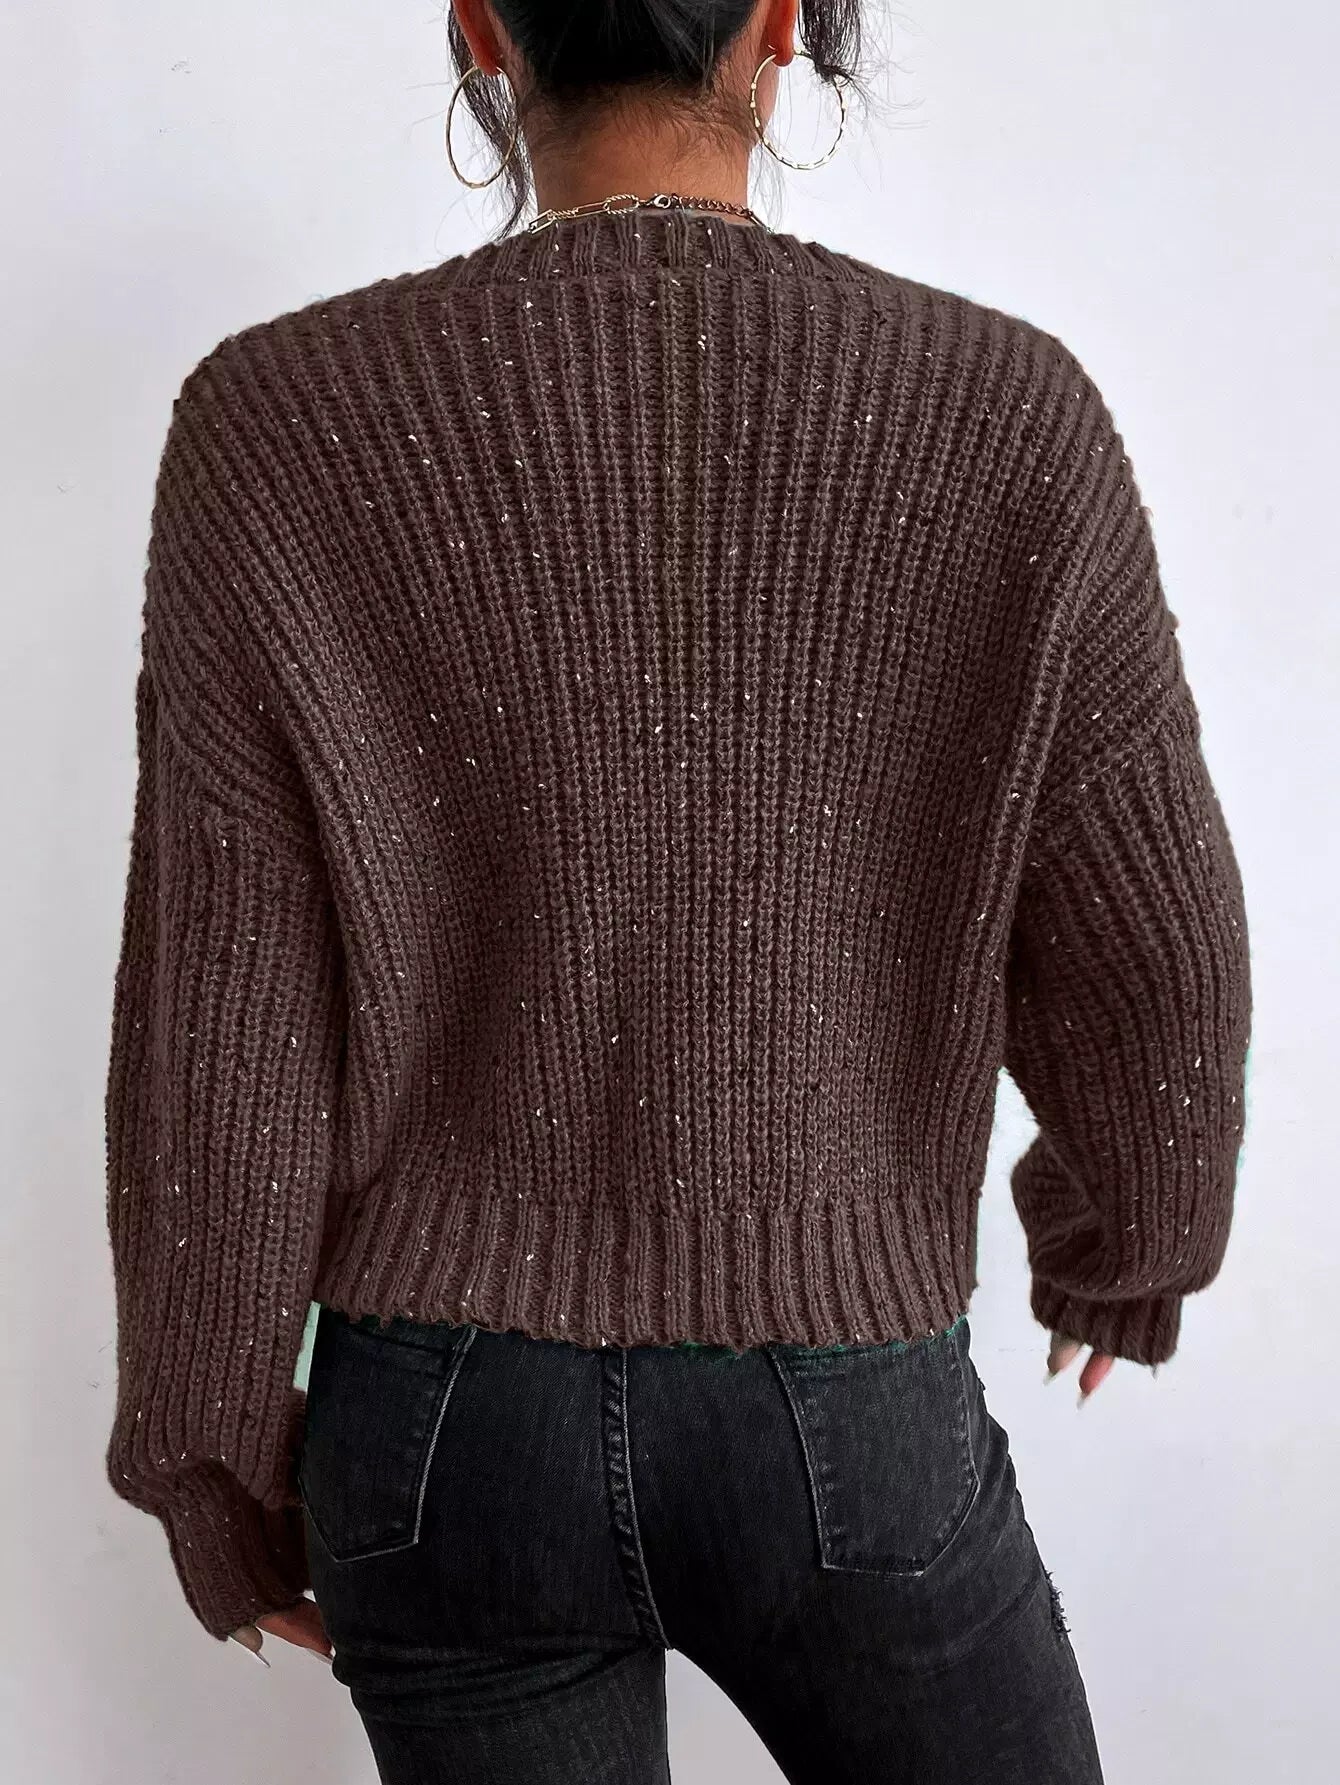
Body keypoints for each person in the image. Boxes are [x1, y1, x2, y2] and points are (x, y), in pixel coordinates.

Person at [101, 2, 1252, 1780]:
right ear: (782, 26)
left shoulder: (268, 426)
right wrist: (1130, 1236)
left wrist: (213, 1453)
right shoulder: (1011, 415)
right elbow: (1160, 954)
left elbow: (226, 1017)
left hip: (442, 1431)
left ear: (482, 29)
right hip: (843, 1384)